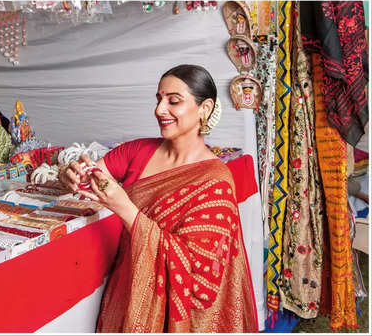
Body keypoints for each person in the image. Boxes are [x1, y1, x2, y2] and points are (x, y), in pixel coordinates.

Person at [59, 65, 258, 332]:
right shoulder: (139, 150)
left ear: (205, 109)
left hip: (174, 317)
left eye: (173, 101)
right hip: (128, 289)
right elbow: (92, 176)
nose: (159, 110)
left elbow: (202, 281)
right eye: (159, 99)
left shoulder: (215, 182)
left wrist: (124, 207)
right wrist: (70, 174)